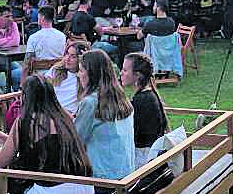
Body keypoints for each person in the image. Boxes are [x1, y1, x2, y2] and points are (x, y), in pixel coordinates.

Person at [75, 49, 135, 180]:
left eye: (81, 70)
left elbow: (75, 140)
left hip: (104, 178)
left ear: (91, 74)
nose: (78, 75)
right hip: (127, 172)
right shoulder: (120, 97)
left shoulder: (90, 103)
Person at [120, 52, 168, 167]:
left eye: (125, 70)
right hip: (150, 154)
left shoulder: (141, 100)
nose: (121, 73)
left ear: (137, 75)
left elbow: (129, 136)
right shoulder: (149, 94)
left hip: (143, 160)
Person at [46, 41, 86, 115]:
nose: (67, 59)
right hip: (52, 112)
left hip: (70, 115)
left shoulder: (84, 77)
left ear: (81, 59)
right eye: (67, 54)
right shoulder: (56, 70)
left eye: (73, 56)